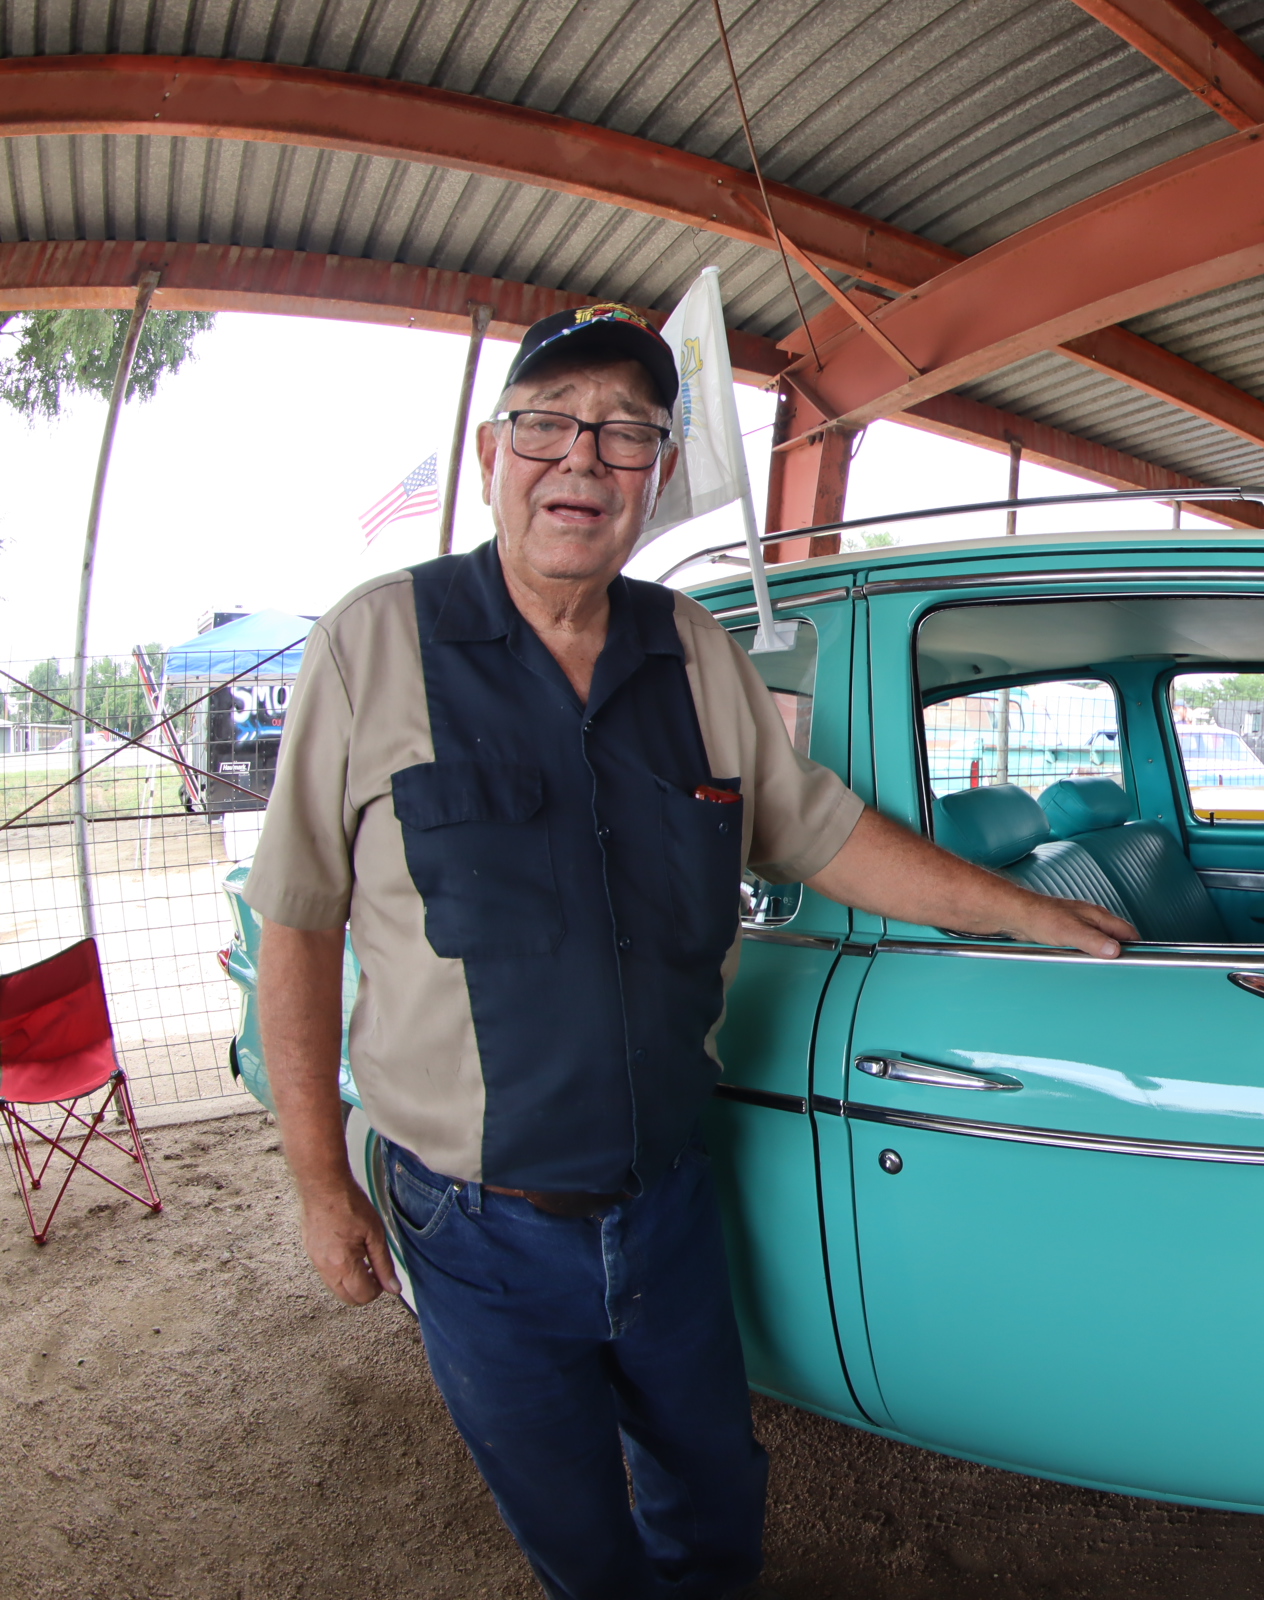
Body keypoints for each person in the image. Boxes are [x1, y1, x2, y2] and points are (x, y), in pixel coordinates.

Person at [244, 304, 1138, 1600]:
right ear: (496, 450)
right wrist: (321, 1182)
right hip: (475, 1221)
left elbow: (821, 833)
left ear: (658, 475)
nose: (583, 459)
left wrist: (1023, 907)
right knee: (572, 1530)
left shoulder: (696, 655)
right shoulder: (375, 644)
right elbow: (300, 914)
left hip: (663, 1199)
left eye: (625, 433)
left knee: (716, 1494)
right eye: (549, 423)